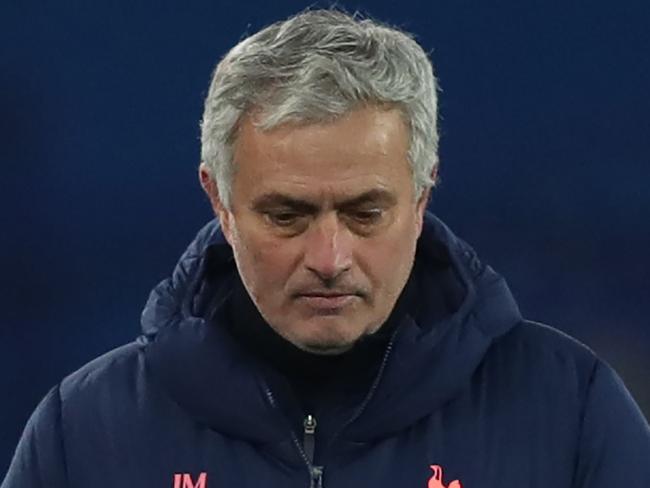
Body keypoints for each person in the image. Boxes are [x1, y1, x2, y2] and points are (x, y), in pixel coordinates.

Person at [3, 8, 649, 488]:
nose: (330, 257)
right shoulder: (81, 435)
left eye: (366, 212)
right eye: (286, 215)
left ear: (422, 196)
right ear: (219, 203)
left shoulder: (572, 412)